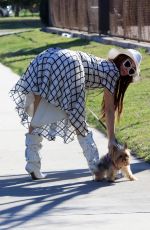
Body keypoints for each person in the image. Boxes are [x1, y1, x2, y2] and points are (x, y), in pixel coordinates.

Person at [9, 47, 142, 181]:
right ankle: (96, 167)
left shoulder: (102, 64)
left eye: (131, 70)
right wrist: (111, 138)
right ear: (120, 59)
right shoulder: (113, 71)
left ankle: (33, 164)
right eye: (127, 64)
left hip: (49, 57)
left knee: (38, 114)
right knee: (78, 119)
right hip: (72, 64)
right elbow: (109, 109)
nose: (127, 69)